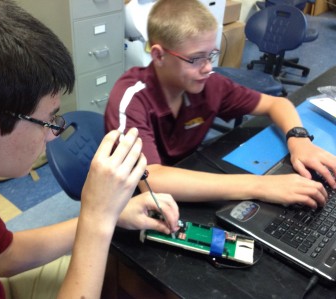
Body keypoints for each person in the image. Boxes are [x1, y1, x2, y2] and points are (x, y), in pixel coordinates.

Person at [0, 0, 179, 298]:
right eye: (47, 119)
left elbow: (4, 253)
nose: (52, 135)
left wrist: (111, 215)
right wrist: (97, 219)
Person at [105, 0, 336, 209]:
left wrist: (299, 140)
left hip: (184, 178)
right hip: (131, 201)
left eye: (211, 55)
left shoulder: (208, 83)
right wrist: (261, 186)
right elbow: (151, 180)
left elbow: (277, 104)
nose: (207, 68)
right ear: (158, 56)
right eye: (196, 59)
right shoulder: (131, 97)